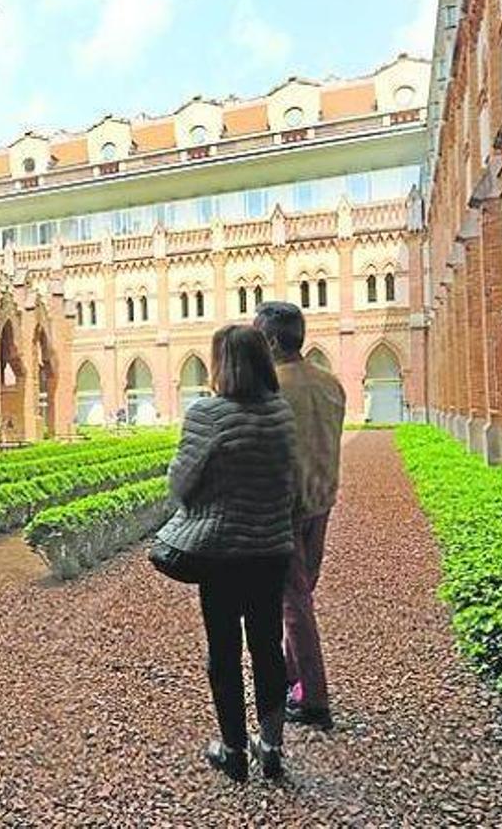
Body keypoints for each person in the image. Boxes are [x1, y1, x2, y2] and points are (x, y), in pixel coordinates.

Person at [156, 325, 298, 782]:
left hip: (221, 553)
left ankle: (234, 751)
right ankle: (272, 747)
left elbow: (179, 485)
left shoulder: (207, 415)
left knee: (223, 651)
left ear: (223, 364)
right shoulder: (281, 413)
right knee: (267, 646)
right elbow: (288, 482)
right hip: (271, 548)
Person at [254, 302, 346, 731]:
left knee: (293, 602)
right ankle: (294, 678)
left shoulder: (269, 388)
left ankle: (313, 697)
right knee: (301, 594)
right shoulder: (331, 384)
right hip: (322, 502)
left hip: (285, 509)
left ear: (271, 340)